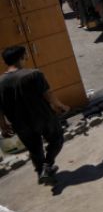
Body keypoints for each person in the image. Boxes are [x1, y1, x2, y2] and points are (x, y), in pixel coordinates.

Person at [0, 46, 69, 185]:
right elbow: (48, 95)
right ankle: (47, 167)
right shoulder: (34, 74)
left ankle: (41, 174)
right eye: (25, 53)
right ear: (22, 57)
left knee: (35, 148)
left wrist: (3, 125)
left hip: (19, 123)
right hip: (43, 117)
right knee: (56, 139)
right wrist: (61, 106)